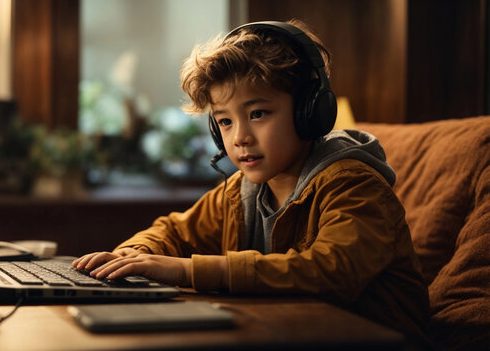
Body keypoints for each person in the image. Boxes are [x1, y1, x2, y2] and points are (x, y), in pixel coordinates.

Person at [73, 20, 430, 348]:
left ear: (310, 110)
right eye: (225, 121)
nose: (240, 137)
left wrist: (185, 269)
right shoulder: (240, 191)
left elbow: (330, 270)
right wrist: (131, 257)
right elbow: (174, 231)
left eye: (258, 114)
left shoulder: (352, 184)